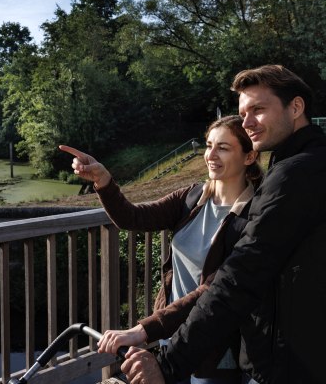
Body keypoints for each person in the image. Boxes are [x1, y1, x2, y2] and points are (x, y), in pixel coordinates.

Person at [115, 64, 326, 384]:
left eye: (258, 109)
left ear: (295, 107)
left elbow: (239, 276)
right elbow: (134, 217)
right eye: (243, 113)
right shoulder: (300, 166)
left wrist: (169, 364)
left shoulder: (292, 176)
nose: (248, 122)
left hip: (287, 365)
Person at [60, 114, 262, 384]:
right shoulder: (191, 197)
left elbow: (213, 290)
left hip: (215, 343)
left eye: (223, 148)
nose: (210, 155)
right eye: (209, 145)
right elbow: (133, 218)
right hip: (172, 335)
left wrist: (143, 330)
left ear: (249, 157)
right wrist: (103, 180)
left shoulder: (254, 216)